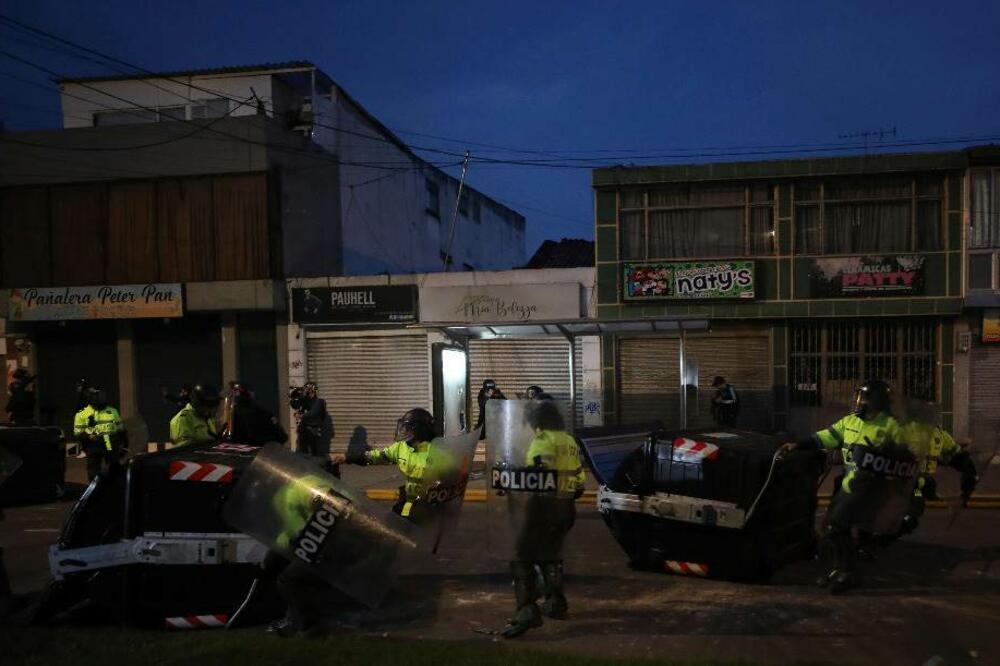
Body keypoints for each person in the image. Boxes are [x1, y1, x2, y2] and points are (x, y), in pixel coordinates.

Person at [780, 379, 901, 594]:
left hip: (870, 488)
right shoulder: (850, 422)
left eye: (865, 398)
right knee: (831, 529)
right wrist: (799, 444)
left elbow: (902, 460)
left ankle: (848, 572)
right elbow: (827, 436)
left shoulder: (892, 427)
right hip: (848, 485)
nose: (860, 402)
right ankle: (839, 569)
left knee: (836, 527)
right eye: (860, 397)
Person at [503, 398, 586, 638]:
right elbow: (577, 477)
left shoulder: (544, 440)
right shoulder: (569, 440)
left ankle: (527, 610)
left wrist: (511, 476)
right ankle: (555, 603)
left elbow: (540, 473)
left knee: (521, 555)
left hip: (543, 506)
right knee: (550, 554)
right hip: (566, 506)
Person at [329, 408, 455, 520]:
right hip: (408, 499)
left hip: (429, 502)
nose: (404, 431)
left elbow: (453, 477)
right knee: (394, 526)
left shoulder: (438, 452)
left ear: (420, 430)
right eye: (404, 427)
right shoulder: (401, 447)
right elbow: (377, 456)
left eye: (408, 428)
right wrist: (347, 457)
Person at [73, 386, 126, 481]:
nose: (102, 399)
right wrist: (89, 437)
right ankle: (95, 490)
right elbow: (78, 433)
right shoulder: (82, 414)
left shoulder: (112, 411)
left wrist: (124, 445)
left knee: (115, 470)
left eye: (102, 396)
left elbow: (121, 430)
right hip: (93, 446)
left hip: (111, 444)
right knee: (94, 472)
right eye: (99, 396)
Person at [224, 382, 288, 446]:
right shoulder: (264, 413)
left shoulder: (233, 416)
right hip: (254, 452)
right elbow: (282, 437)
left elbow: (282, 436)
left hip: (256, 452)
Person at [292, 383, 330, 458]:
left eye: (309, 389)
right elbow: (293, 404)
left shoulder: (320, 401)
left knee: (314, 451)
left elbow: (314, 412)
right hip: (303, 428)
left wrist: (301, 415)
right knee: (301, 450)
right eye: (306, 389)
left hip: (313, 429)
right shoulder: (304, 400)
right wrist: (296, 392)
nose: (307, 391)